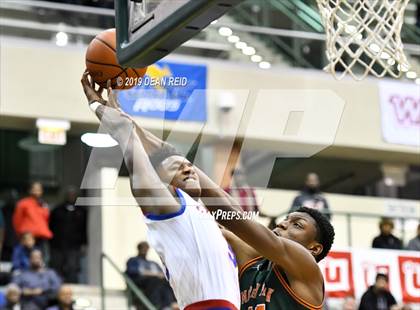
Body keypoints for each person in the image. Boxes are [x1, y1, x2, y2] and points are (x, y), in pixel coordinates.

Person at [82, 73, 335, 310]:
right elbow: (197, 183)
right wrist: (125, 120)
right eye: (287, 219)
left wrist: (197, 188)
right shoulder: (252, 261)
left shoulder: (306, 267)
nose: (283, 224)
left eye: (297, 225)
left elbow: (232, 217)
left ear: (314, 248)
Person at [82, 73, 240, 309]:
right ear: (163, 183)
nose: (188, 167)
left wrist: (127, 120)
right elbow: (143, 170)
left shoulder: (205, 212)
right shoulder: (170, 208)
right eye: (178, 168)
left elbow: (168, 152)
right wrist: (119, 127)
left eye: (188, 165)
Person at [49, 186, 87, 283]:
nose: (71, 196)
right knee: (57, 265)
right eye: (69, 195)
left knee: (73, 267)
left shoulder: (81, 212)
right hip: (57, 244)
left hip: (74, 245)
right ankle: (56, 285)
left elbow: (84, 229)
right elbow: (51, 226)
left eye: (73, 195)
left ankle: (72, 286)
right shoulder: (57, 211)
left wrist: (84, 243)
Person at [126, 242, 175, 309]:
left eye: (146, 248)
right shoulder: (133, 260)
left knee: (168, 281)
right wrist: (155, 274)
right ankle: (155, 305)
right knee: (156, 280)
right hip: (142, 282)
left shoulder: (153, 263)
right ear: (139, 249)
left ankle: (168, 305)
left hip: (157, 282)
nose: (145, 250)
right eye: (143, 248)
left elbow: (162, 273)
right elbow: (134, 271)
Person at [12, 182, 52, 258]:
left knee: (41, 259)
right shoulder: (23, 203)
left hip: (41, 237)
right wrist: (21, 235)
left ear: (42, 191)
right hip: (28, 237)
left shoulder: (44, 204)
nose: (36, 191)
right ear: (30, 190)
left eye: (39, 189)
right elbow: (17, 221)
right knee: (27, 259)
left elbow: (46, 220)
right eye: (34, 189)